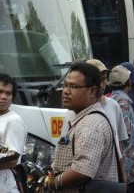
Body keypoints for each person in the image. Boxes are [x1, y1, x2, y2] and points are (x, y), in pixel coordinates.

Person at [51, 62, 119, 191]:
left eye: (73, 86)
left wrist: (51, 183)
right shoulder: (82, 118)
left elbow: (82, 172)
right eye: (65, 85)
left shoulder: (91, 124)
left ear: (92, 91)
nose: (66, 91)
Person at [60, 59, 128, 181]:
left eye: (103, 79)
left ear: (91, 90)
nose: (101, 84)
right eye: (65, 85)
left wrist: (56, 182)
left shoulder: (111, 107)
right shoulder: (73, 112)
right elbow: (65, 144)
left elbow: (119, 145)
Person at [0, 74, 27, 193]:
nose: (4, 97)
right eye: (0, 92)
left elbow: (12, 157)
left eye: (8, 93)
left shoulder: (14, 120)